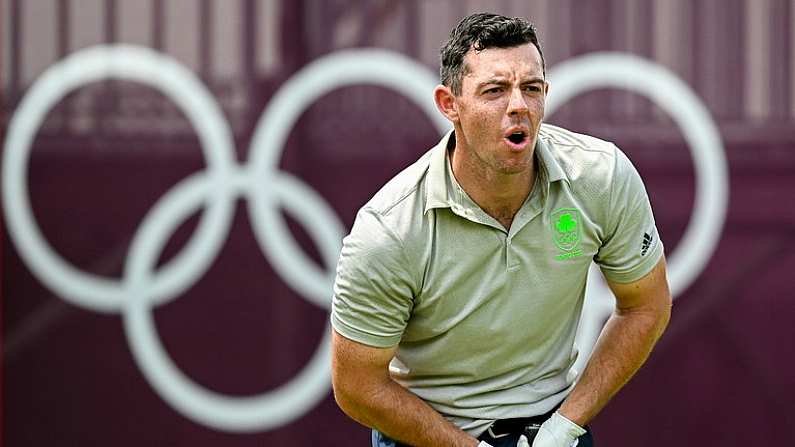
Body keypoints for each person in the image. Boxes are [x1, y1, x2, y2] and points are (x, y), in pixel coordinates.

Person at [330, 12, 672, 447]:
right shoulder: (390, 228)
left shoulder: (600, 177)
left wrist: (565, 425)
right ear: (448, 104)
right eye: (494, 91)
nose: (518, 106)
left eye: (532, 89)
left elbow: (646, 306)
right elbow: (356, 384)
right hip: (427, 438)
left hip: (551, 430)